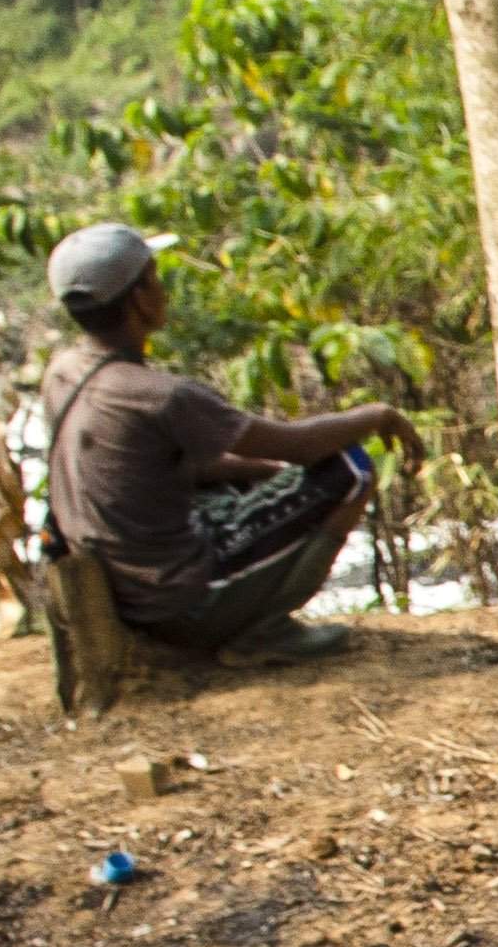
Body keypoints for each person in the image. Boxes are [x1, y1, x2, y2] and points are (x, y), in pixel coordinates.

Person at [36, 223, 414, 662]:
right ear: (139, 298)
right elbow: (300, 446)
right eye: (156, 278)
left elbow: (140, 469)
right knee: (349, 467)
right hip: (179, 601)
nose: (163, 289)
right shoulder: (162, 395)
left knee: (237, 480)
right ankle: (262, 631)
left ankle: (239, 615)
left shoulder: (62, 371)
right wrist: (376, 415)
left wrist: (258, 471)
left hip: (125, 589)